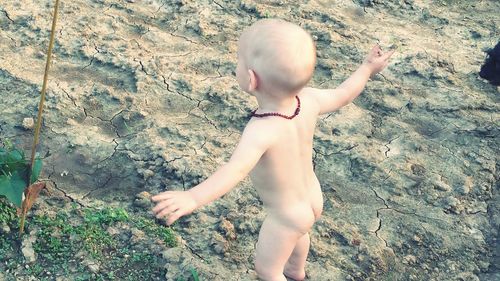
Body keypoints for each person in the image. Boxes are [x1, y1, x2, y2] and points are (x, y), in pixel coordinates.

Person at [152, 19, 394, 281]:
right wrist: (367, 68)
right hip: (312, 199)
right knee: (299, 233)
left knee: (267, 271)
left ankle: (286, 273)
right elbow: (344, 93)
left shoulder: (262, 129)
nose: (237, 66)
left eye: (239, 62)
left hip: (285, 213)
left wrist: (193, 197)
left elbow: (235, 170)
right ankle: (295, 271)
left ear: (252, 79)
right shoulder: (309, 100)